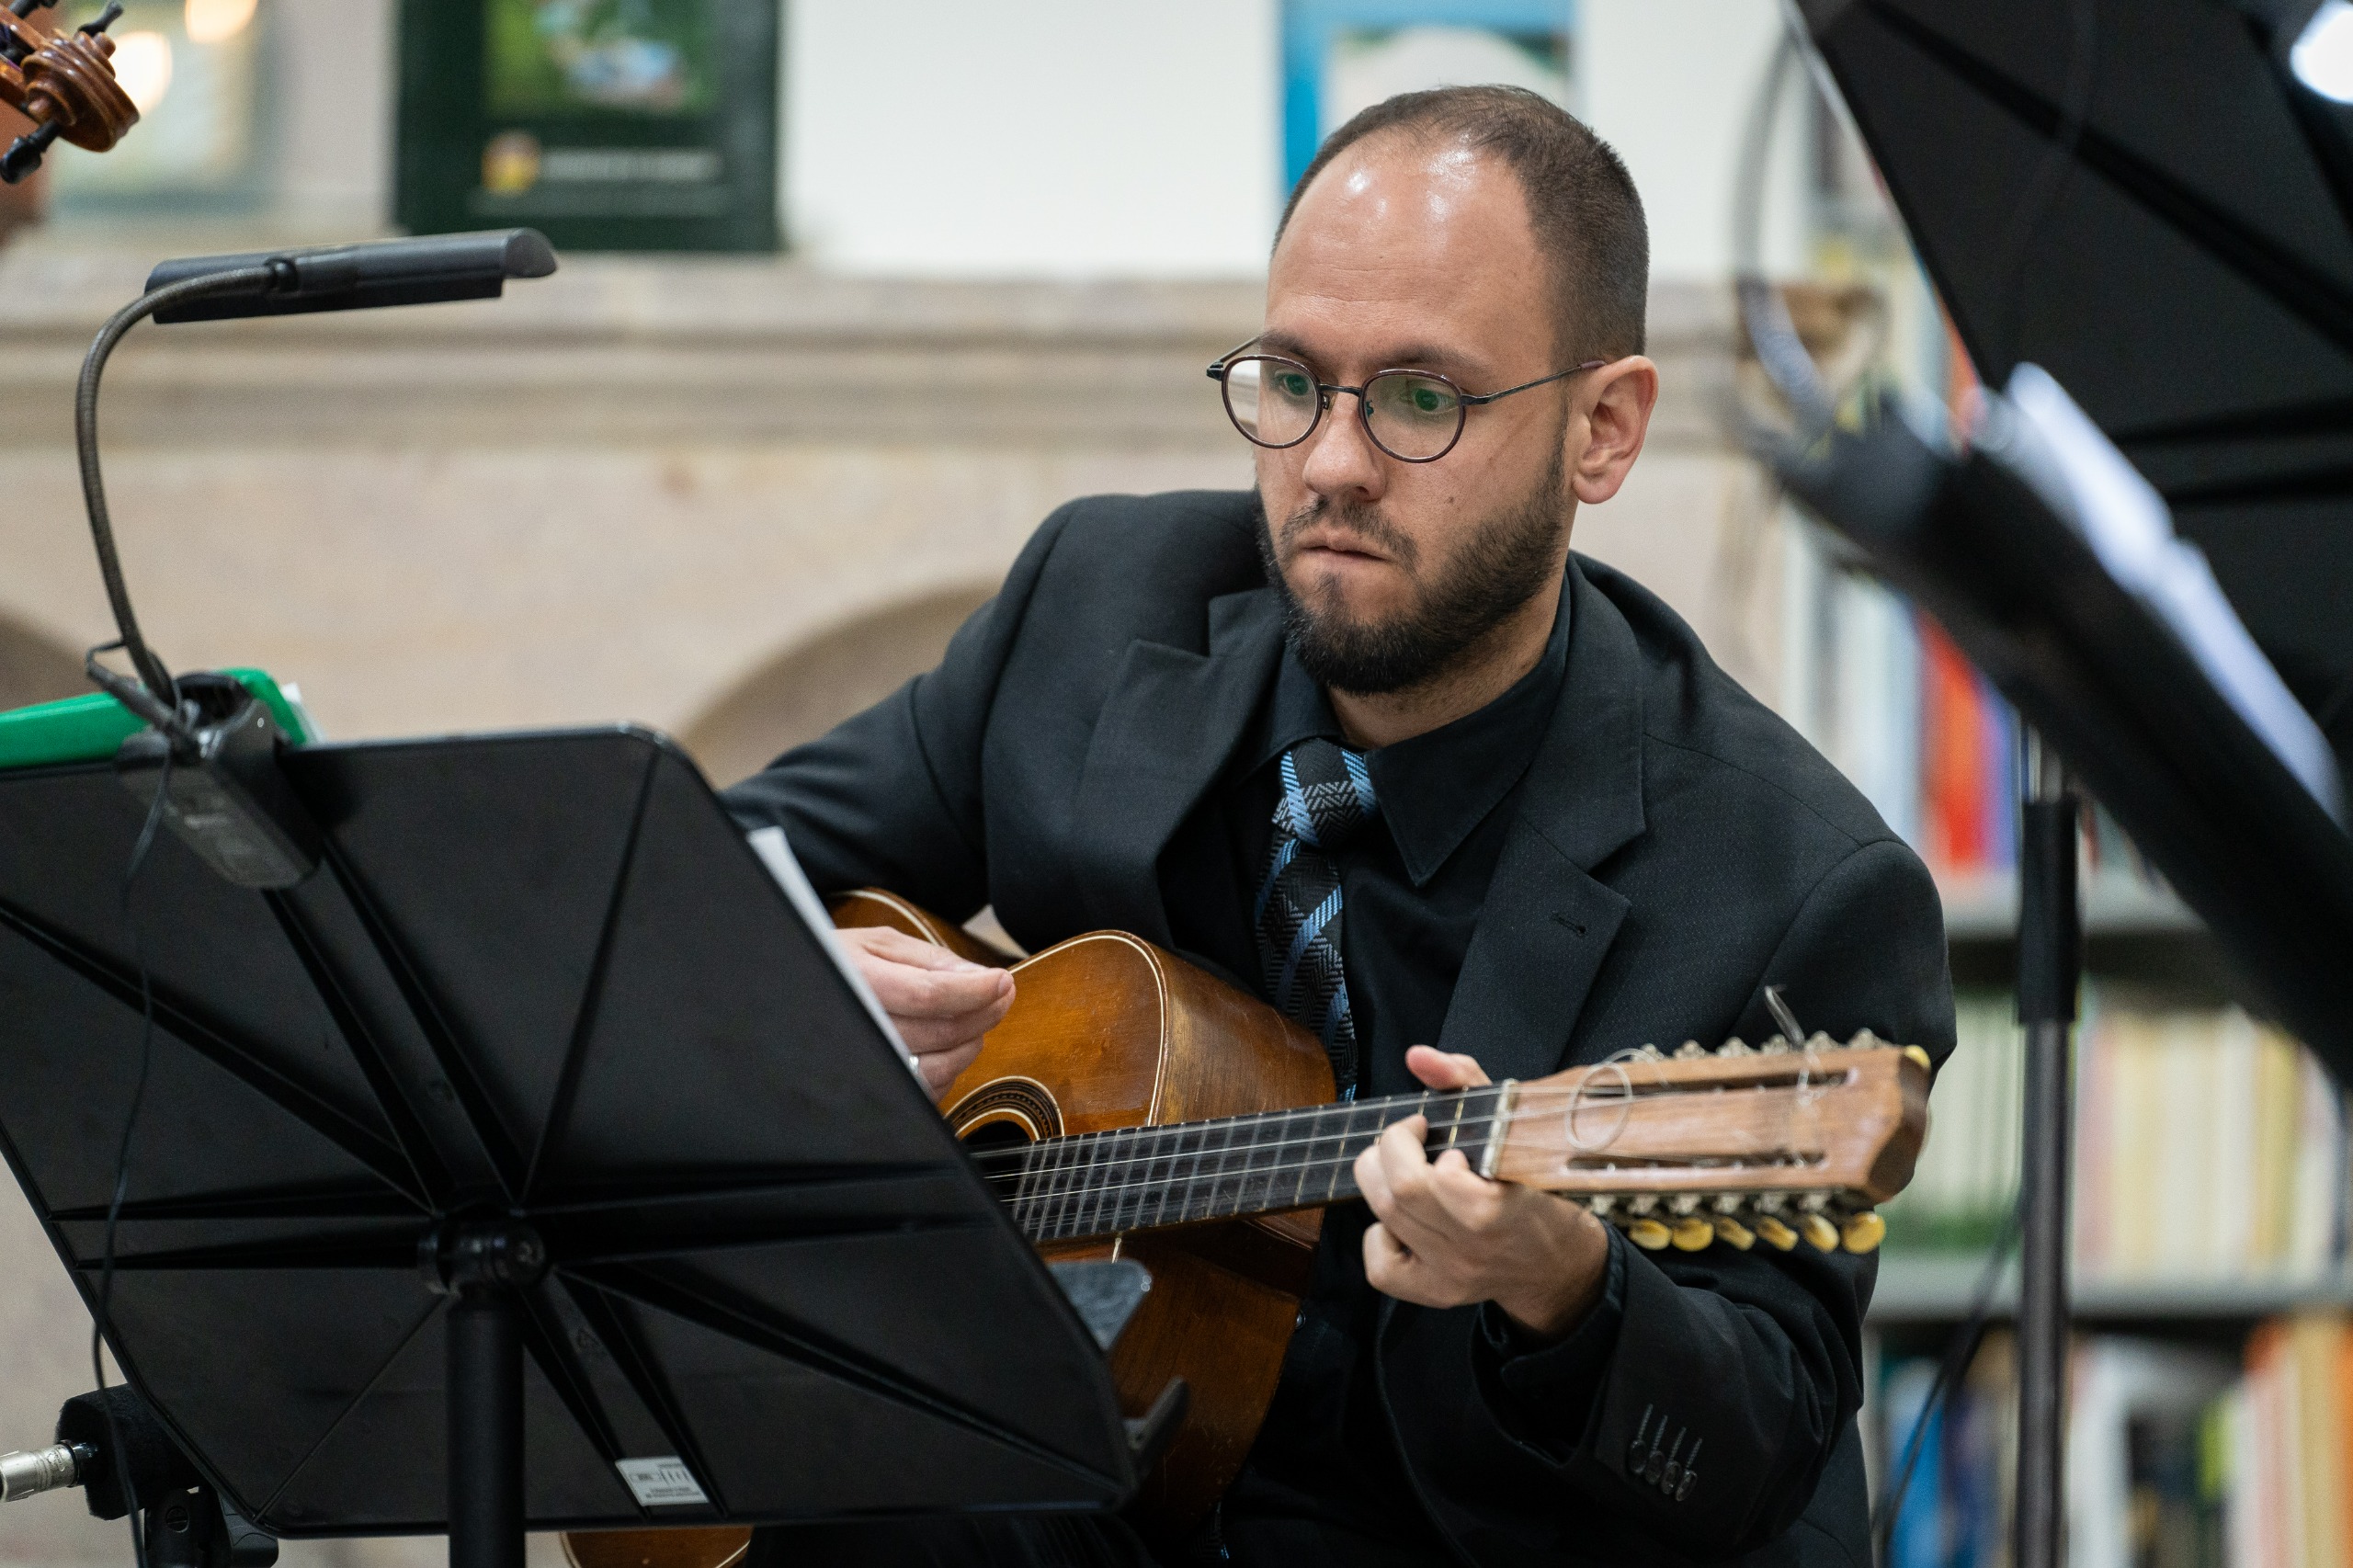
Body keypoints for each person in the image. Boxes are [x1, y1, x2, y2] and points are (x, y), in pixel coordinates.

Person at [725, 85, 1954, 1568]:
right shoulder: (1100, 608)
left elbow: (1762, 1444)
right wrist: (786, 985)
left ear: (1603, 430)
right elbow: (703, 870)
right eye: (1292, 380)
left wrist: (1569, 1292)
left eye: (1422, 399)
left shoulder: (1794, 881)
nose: (1330, 464)